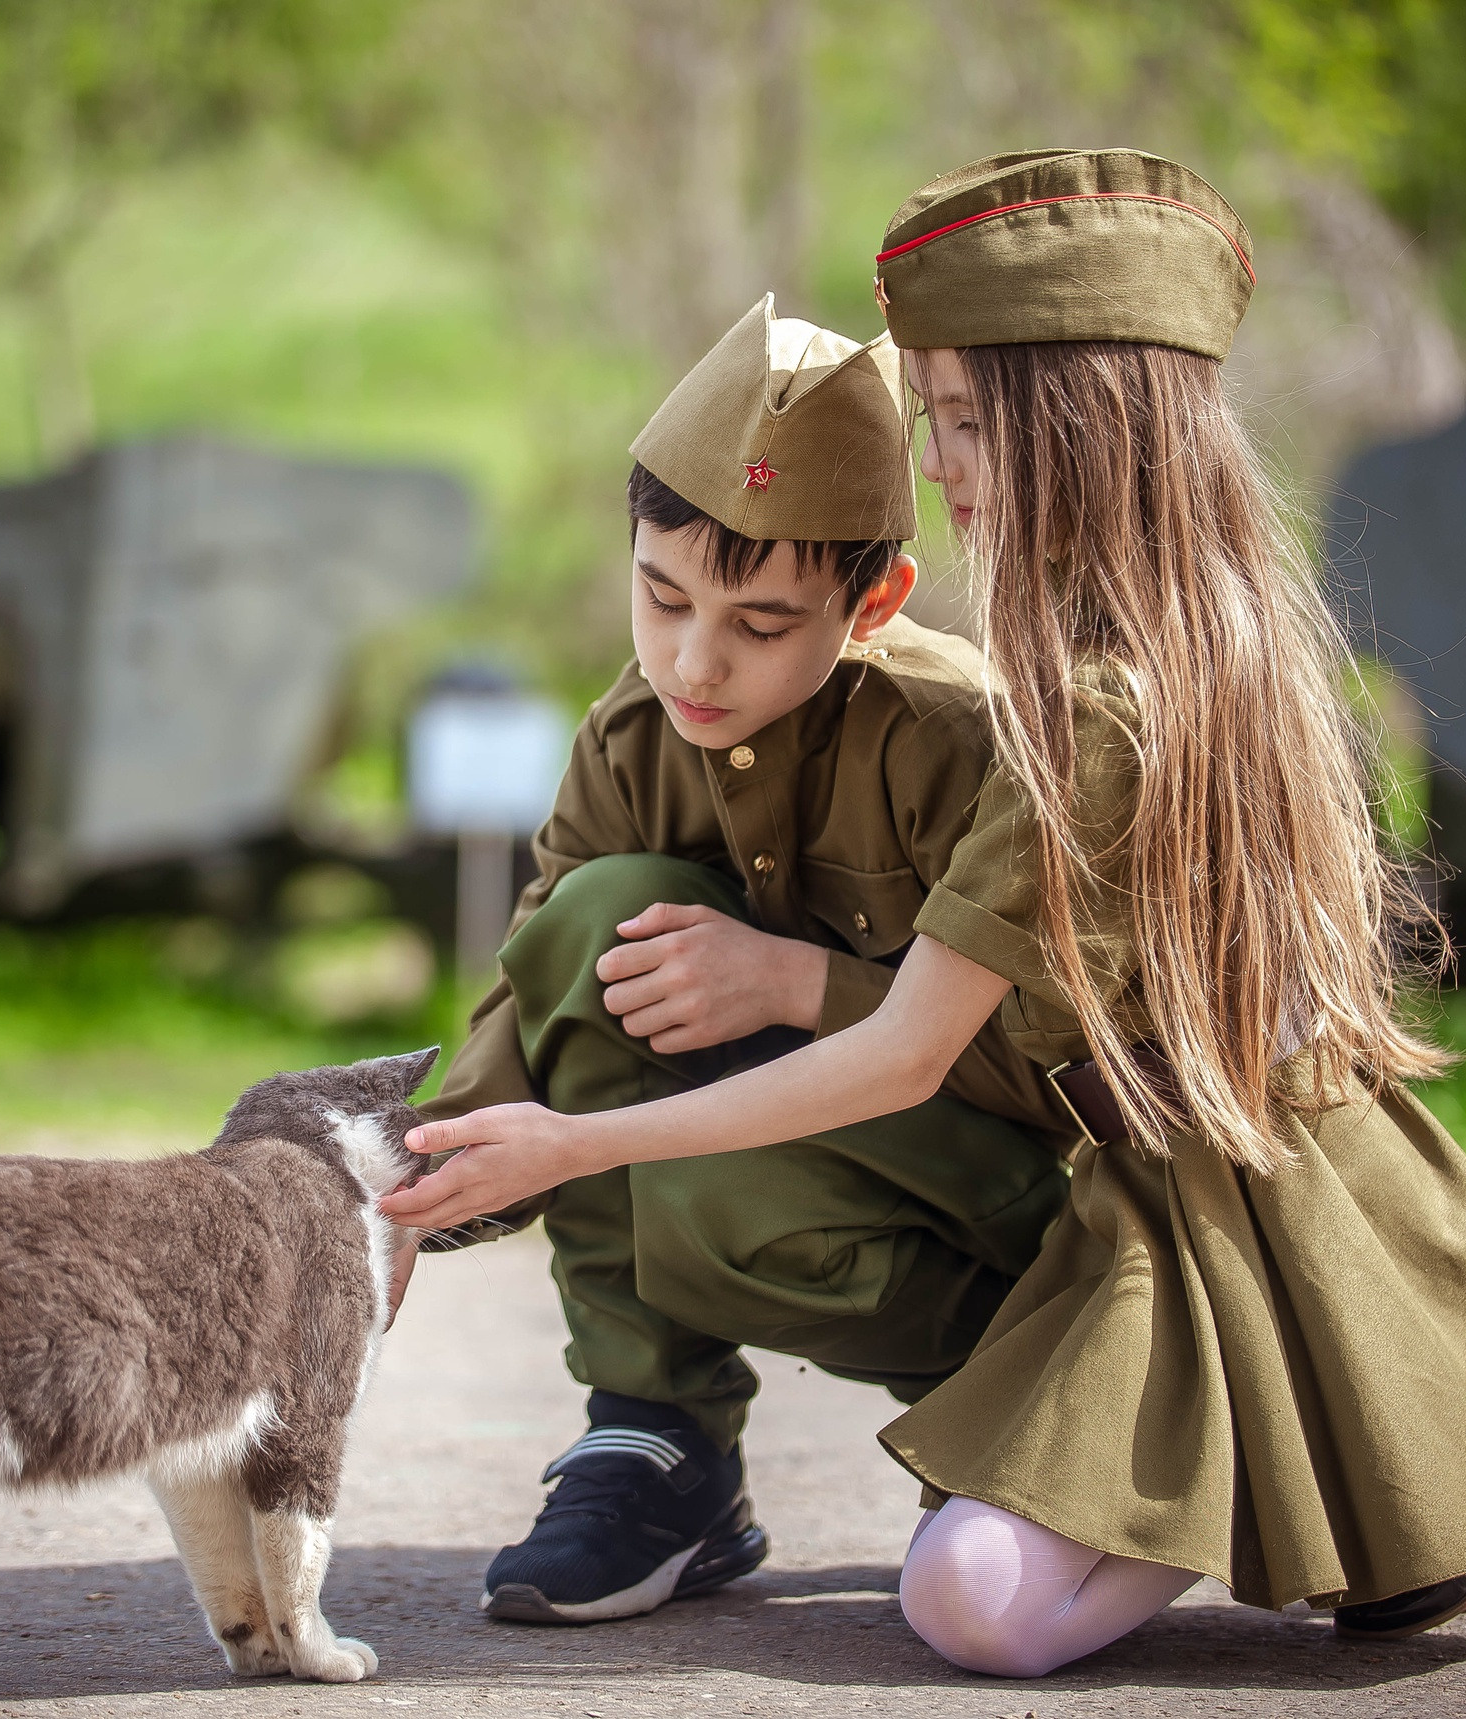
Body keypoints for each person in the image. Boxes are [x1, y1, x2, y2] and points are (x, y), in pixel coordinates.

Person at [385, 149, 1466, 1676]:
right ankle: (1344, 1489)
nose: (937, 460)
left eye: (962, 420)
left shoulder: (1100, 713)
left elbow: (909, 1058)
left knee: (972, 1605)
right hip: (1148, 1194)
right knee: (972, 1577)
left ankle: (1348, 1472)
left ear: (1081, 430)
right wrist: (417, 1168)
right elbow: (567, 944)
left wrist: (577, 1145)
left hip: (1238, 1212)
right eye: (934, 417)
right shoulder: (1153, 652)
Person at [405, 293, 1086, 1626]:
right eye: (661, 596)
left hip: (987, 1210)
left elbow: (1062, 1075)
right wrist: (417, 1182)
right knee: (600, 920)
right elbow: (538, 978)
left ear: (874, 601)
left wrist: (797, 984)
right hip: (763, 1158)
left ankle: (1002, 1401)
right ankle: (655, 1442)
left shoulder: (968, 743)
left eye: (763, 625)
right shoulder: (635, 730)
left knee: (718, 1199)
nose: (694, 662)